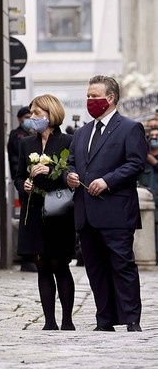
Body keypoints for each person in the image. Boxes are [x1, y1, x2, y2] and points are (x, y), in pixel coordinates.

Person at [66, 75, 147, 332]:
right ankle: (105, 319)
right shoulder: (81, 133)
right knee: (95, 268)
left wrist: (108, 180)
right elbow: (72, 163)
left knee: (122, 266)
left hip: (116, 211)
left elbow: (136, 163)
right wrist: (70, 175)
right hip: (86, 213)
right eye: (88, 96)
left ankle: (132, 319)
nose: (89, 100)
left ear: (110, 98)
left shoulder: (129, 128)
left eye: (94, 96)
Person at [14, 94, 75, 331]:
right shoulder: (26, 144)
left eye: (37, 113)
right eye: (31, 114)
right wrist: (24, 185)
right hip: (34, 210)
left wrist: (50, 170)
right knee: (42, 265)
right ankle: (49, 321)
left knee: (60, 264)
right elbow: (18, 175)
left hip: (59, 212)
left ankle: (67, 320)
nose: (33, 118)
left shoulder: (68, 141)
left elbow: (70, 174)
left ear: (50, 114)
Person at [7, 106, 37, 273]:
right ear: (19, 119)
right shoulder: (18, 135)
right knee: (26, 220)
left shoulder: (31, 134)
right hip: (24, 183)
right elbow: (20, 157)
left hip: (33, 182)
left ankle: (33, 256)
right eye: (26, 116)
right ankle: (27, 258)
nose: (29, 119)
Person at [138, 127, 158, 263]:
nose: (154, 139)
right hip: (148, 197)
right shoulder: (142, 157)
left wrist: (154, 161)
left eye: (157, 136)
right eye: (152, 136)